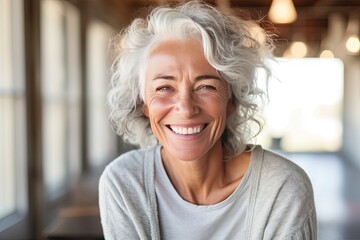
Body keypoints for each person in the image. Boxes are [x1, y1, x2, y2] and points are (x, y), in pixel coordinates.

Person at [99, 1, 317, 239]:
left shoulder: (282, 189)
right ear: (144, 105)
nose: (186, 108)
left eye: (206, 86)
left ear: (232, 99)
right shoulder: (124, 183)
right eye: (164, 87)